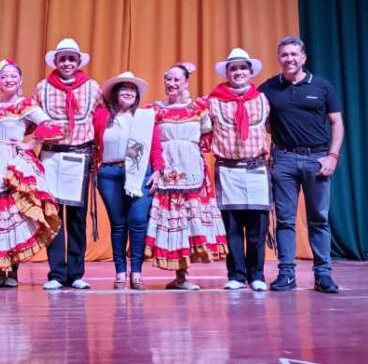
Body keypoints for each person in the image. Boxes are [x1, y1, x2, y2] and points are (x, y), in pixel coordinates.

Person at [0, 59, 62, 288]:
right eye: (4, 76)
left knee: (10, 217)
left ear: (20, 80)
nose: (9, 80)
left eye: (13, 76)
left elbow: (50, 126)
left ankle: (12, 272)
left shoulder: (26, 105)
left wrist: (30, 143)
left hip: (12, 163)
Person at [259, 36, 344, 293]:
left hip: (317, 159)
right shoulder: (268, 88)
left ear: (303, 58)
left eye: (294, 54)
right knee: (284, 220)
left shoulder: (322, 86)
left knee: (319, 219)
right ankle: (286, 274)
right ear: (279, 58)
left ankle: (323, 274)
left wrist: (332, 156)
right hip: (283, 159)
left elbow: (337, 123)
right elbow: (257, 119)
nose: (289, 59)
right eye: (284, 55)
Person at [144, 62, 227, 290]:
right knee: (175, 220)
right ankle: (178, 276)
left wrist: (192, 153)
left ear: (186, 83)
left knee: (191, 221)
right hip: (167, 171)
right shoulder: (154, 109)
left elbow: (208, 135)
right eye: (168, 79)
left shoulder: (199, 107)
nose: (171, 84)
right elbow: (146, 141)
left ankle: (184, 276)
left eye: (176, 80)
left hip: (192, 171)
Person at [34, 38, 100, 290]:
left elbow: (103, 116)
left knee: (76, 218)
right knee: (53, 216)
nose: (67, 63)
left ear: (78, 61)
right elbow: (33, 117)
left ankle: (76, 273)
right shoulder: (43, 88)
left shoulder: (92, 88)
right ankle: (56, 273)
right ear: (56, 61)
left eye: (72, 58)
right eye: (63, 59)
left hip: (79, 155)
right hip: (51, 155)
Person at [207, 49, 272, 292]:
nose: (238, 73)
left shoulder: (262, 99)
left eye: (243, 68)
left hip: (255, 167)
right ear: (227, 73)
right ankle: (236, 273)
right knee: (232, 226)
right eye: (233, 69)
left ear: (250, 72)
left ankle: (257, 274)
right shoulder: (213, 101)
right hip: (228, 168)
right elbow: (202, 127)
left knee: (257, 226)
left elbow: (272, 128)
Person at [92, 72, 161, 290]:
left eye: (133, 89)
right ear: (115, 93)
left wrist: (158, 170)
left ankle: (137, 272)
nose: (129, 92)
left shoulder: (144, 117)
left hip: (140, 173)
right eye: (124, 88)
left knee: (139, 222)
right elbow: (93, 140)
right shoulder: (102, 116)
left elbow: (155, 145)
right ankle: (121, 272)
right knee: (118, 225)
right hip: (110, 173)